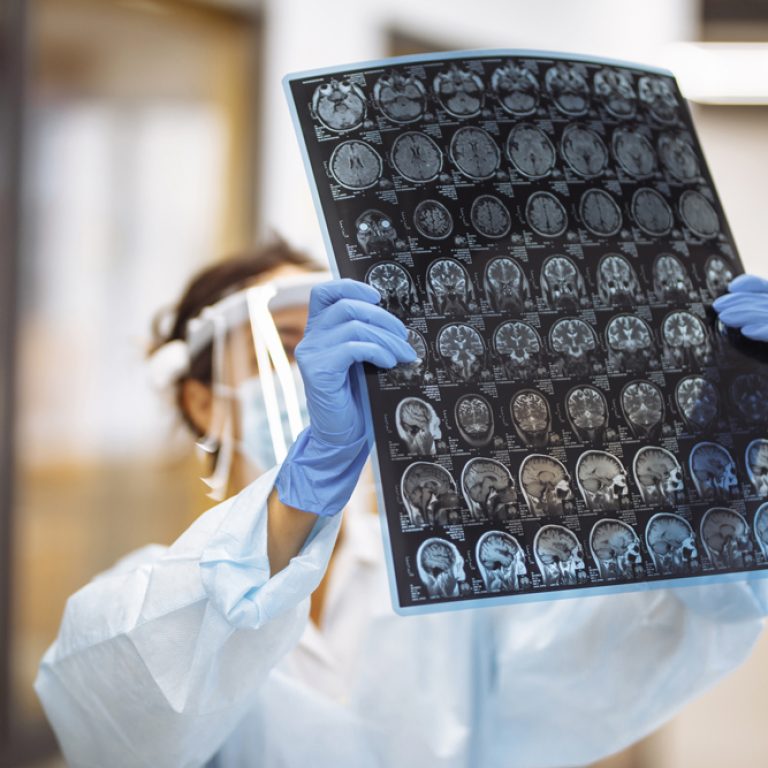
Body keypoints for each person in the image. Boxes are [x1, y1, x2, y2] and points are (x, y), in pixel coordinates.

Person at [35, 241, 768, 768]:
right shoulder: (149, 604)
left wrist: (722, 481)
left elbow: (634, 641)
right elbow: (121, 732)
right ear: (202, 400)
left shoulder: (449, 589)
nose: (324, 376)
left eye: (345, 350)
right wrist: (304, 488)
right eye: (285, 347)